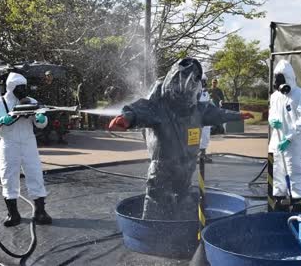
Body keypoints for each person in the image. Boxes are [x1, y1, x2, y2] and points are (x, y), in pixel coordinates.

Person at [108, 58, 254, 220]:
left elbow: (218, 114)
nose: (188, 86)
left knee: (184, 198)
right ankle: (151, 234)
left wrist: (237, 116)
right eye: (185, 81)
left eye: (193, 82)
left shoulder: (197, 109)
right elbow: (139, 110)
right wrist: (127, 118)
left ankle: (185, 228)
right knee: (157, 201)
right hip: (163, 168)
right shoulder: (159, 106)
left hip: (186, 167)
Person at [0, 72, 52, 227]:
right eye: (20, 87)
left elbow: (41, 122)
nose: (23, 90)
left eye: (24, 87)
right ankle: (13, 213)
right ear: (11, 87)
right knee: (8, 176)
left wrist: (41, 119)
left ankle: (40, 212)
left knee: (35, 173)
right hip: (8, 143)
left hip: (29, 142)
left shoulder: (31, 101)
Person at [268, 60, 301, 211]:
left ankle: (297, 199)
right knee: (278, 169)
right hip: (277, 139)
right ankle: (279, 197)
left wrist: (289, 138)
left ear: (289, 78)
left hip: (293, 142)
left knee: (295, 170)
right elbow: (271, 114)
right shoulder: (275, 97)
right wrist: (272, 121)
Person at [198, 74, 213, 163]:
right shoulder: (194, 92)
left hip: (205, 118)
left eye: (205, 81)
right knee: (195, 137)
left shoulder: (205, 92)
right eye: (203, 81)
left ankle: (202, 154)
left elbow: (208, 103)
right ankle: (195, 155)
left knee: (205, 136)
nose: (204, 83)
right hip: (197, 119)